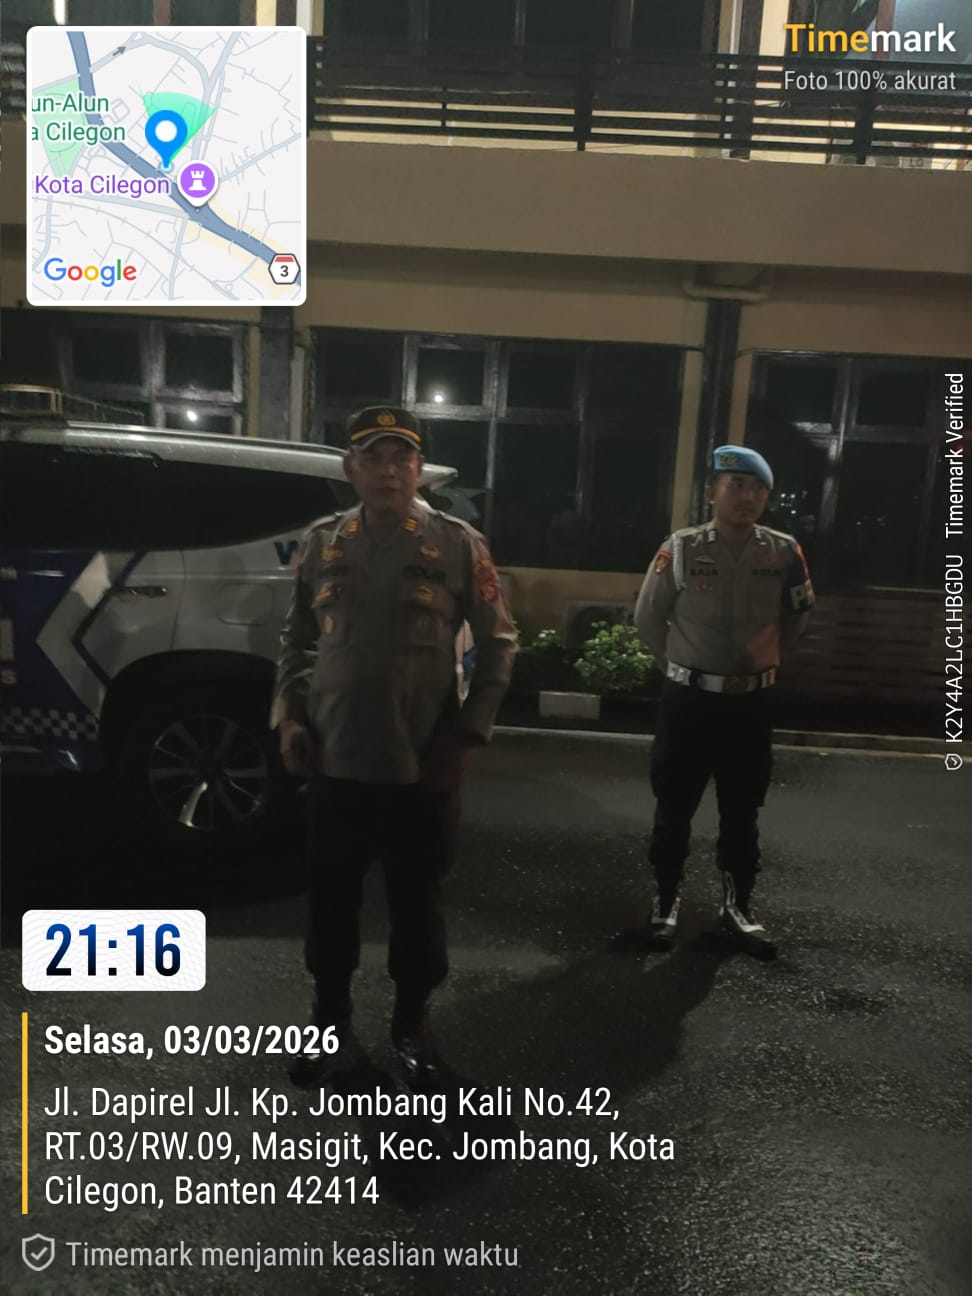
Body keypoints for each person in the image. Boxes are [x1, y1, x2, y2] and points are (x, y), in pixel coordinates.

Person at [272, 406, 517, 1082]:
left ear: (419, 470)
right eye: (373, 458)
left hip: (421, 764)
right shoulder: (323, 542)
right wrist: (290, 717)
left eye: (400, 458)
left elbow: (499, 643)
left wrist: (465, 738)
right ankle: (329, 1021)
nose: (387, 471)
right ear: (349, 468)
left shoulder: (457, 544)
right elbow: (297, 638)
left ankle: (412, 1025)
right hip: (335, 758)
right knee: (330, 903)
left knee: (416, 904)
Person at [634, 445, 814, 958]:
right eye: (736, 486)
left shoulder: (784, 552)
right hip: (689, 703)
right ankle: (665, 902)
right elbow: (648, 618)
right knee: (674, 807)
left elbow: (797, 616)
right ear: (711, 491)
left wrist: (763, 660)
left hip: (750, 706)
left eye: (758, 489)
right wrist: (682, 667)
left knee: (742, 811)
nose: (747, 497)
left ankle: (738, 909)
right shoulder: (682, 548)